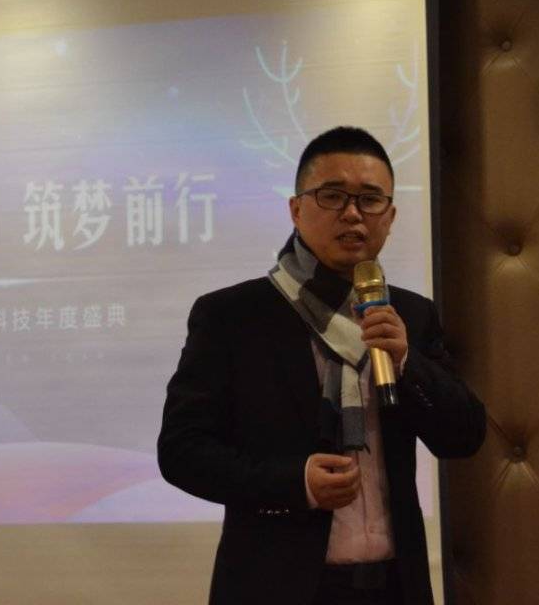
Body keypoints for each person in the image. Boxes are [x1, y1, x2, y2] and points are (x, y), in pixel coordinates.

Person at [158, 126, 485, 605]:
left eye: (370, 199)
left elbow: (464, 436)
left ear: (390, 216)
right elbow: (182, 452)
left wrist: (406, 361)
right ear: (296, 209)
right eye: (332, 196)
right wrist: (296, 483)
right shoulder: (233, 316)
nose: (352, 214)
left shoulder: (410, 316)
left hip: (395, 587)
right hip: (276, 588)